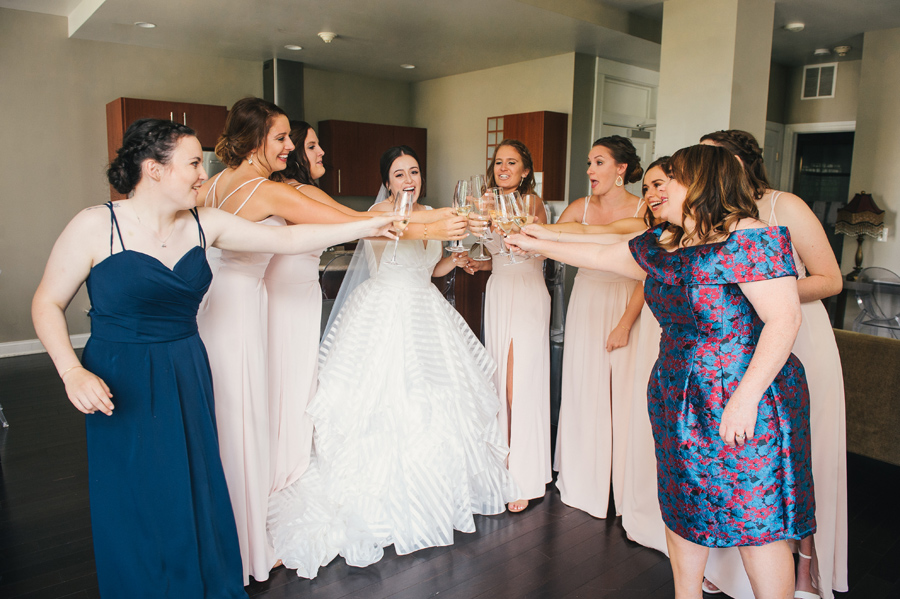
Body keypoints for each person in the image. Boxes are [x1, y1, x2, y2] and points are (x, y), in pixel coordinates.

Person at [30, 118, 394, 598]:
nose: (204, 174)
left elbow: (286, 239)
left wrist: (371, 224)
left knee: (193, 483)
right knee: (135, 495)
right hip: (121, 378)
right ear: (153, 169)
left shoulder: (204, 224)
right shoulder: (97, 225)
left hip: (186, 368)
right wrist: (70, 370)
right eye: (194, 163)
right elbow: (46, 303)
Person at [506, 144, 815, 599]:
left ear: (704, 183)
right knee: (682, 505)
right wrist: (534, 241)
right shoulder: (667, 241)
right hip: (678, 394)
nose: (658, 190)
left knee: (756, 520)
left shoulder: (753, 238)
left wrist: (745, 399)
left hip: (745, 397)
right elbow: (604, 256)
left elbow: (784, 319)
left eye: (673, 179)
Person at [196, 99, 464, 584]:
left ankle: (233, 518)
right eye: (282, 137)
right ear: (256, 140)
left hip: (217, 309)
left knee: (233, 418)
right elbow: (350, 220)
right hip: (245, 314)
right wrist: (431, 224)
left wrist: (431, 221)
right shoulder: (268, 190)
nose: (292, 145)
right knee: (252, 415)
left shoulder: (213, 185)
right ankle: (249, 533)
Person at [267, 146, 519, 579]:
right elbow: (405, 237)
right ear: (387, 180)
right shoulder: (381, 215)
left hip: (426, 307)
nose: (409, 179)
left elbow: (430, 268)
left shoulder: (434, 214)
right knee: (386, 401)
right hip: (385, 312)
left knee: (440, 400)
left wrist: (451, 259)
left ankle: (441, 494)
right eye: (399, 173)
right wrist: (444, 222)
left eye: (415, 171)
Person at [699, 130, 847, 599]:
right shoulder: (709, 215)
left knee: (802, 454)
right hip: (742, 347)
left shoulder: (785, 206)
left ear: (740, 164)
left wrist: (759, 290)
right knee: (745, 457)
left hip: (799, 337)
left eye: (712, 157)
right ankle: (735, 567)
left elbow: (831, 280)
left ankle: (806, 563)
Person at [552, 135, 646, 518]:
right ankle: (583, 480)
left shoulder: (645, 209)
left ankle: (624, 488)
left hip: (628, 301)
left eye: (599, 162)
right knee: (583, 387)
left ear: (621, 169)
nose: (590, 170)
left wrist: (625, 323)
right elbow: (551, 242)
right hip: (587, 300)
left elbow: (649, 274)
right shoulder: (580, 208)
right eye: (589, 163)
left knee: (623, 394)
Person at [461, 139, 552, 513]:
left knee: (519, 387)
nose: (503, 169)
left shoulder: (530, 204)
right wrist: (477, 263)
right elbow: (499, 256)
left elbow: (535, 248)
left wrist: (484, 214)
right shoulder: (488, 201)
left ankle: (525, 476)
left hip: (528, 295)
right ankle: (501, 469)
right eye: (499, 162)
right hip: (499, 292)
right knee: (498, 385)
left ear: (525, 170)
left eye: (511, 163)